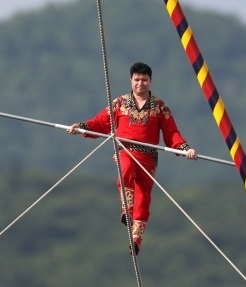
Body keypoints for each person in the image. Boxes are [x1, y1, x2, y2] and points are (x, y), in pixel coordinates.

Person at [68, 62, 196, 255]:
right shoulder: (120, 103)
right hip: (125, 150)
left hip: (148, 156)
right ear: (131, 80)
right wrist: (81, 126)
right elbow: (101, 122)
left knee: (144, 197)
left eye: (144, 80)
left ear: (150, 81)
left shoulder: (160, 107)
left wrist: (185, 148)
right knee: (125, 170)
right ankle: (126, 209)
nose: (140, 83)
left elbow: (172, 133)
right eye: (137, 79)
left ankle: (136, 238)